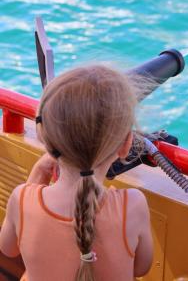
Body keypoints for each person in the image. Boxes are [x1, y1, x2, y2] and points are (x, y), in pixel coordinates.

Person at [0, 65, 153, 281]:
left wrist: (35, 179)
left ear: (46, 139)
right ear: (126, 144)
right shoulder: (133, 205)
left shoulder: (22, 198)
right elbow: (142, 268)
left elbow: (8, 249)